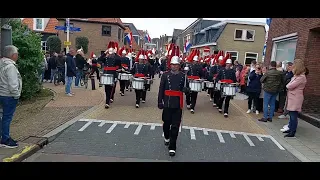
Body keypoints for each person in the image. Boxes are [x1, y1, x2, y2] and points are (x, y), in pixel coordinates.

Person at [158, 46, 188, 156]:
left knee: (175, 126)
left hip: (177, 104)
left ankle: (172, 146)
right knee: (166, 124)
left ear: (179, 66)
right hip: (167, 102)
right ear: (170, 65)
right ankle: (166, 136)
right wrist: (160, 101)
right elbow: (161, 89)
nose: (174, 66)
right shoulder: (165, 75)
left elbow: (187, 90)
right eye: (172, 64)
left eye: (176, 64)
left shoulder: (183, 76)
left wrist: (186, 90)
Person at [0, 45, 21, 148]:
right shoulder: (10, 67)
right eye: (17, 54)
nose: (17, 56)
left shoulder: (1, 64)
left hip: (1, 94)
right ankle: (5, 139)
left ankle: (3, 136)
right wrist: (16, 95)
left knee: (2, 117)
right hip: (9, 95)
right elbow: (13, 84)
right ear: (13, 55)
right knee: (7, 118)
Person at [283, 59, 307, 137]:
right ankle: (290, 129)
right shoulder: (297, 76)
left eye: (294, 66)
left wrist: (288, 86)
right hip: (293, 97)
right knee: (291, 114)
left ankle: (292, 132)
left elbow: (290, 85)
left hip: (296, 98)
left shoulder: (301, 77)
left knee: (293, 115)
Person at [98, 41, 121, 108]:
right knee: (106, 89)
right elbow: (99, 59)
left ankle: (107, 102)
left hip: (113, 74)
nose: (110, 54)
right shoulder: (106, 58)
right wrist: (105, 52)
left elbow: (119, 63)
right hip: (106, 74)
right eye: (109, 52)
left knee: (111, 89)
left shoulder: (116, 58)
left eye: (111, 52)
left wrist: (115, 52)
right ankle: (107, 100)